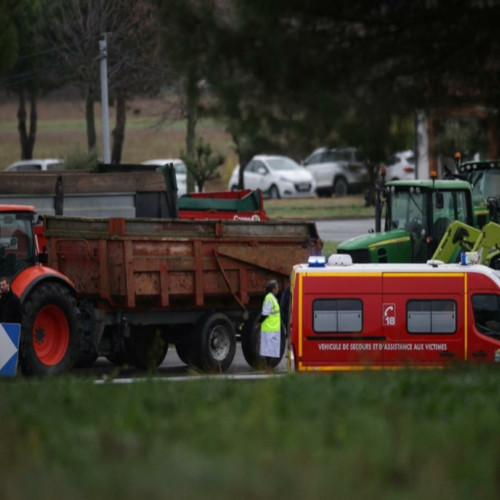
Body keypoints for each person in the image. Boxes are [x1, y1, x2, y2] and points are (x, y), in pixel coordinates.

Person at [258, 279, 281, 358]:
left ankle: (269, 368)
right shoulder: (269, 298)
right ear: (273, 289)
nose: (278, 289)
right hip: (269, 328)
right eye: (277, 287)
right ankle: (268, 368)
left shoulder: (272, 298)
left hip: (272, 328)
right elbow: (265, 313)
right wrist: (259, 322)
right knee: (268, 350)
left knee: (271, 350)